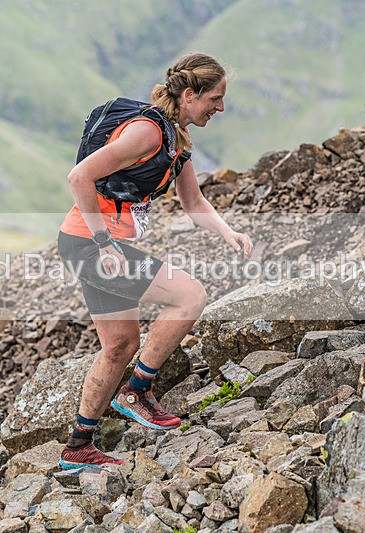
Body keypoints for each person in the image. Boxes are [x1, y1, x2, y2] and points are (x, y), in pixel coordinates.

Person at [57, 52, 253, 469]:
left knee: (119, 346)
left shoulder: (176, 141)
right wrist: (104, 241)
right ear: (189, 94)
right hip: (90, 244)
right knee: (190, 296)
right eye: (215, 99)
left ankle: (77, 448)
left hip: (86, 243)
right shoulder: (147, 132)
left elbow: (194, 202)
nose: (220, 107)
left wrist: (228, 232)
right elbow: (79, 178)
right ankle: (137, 392)